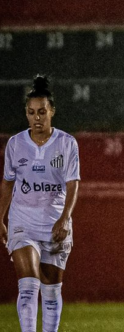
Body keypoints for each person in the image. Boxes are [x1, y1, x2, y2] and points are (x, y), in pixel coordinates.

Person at [0, 75, 80, 332]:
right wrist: (0, 218)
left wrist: (65, 218)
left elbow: (72, 184)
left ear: (52, 112)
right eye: (31, 112)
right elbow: (8, 183)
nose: (36, 118)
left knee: (51, 292)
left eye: (42, 112)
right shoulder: (16, 144)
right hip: (23, 220)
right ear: (26, 113)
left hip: (55, 223)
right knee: (28, 285)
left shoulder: (67, 144)